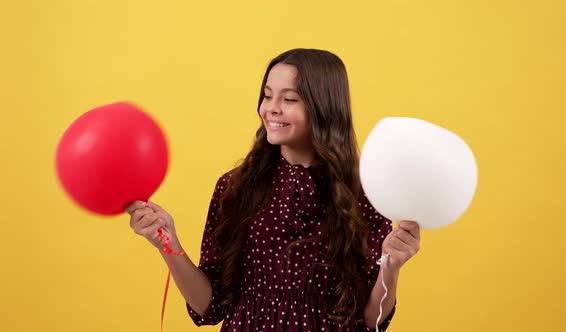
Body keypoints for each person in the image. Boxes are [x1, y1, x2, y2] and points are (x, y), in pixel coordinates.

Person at [125, 48, 420, 331]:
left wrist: (391, 267)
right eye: (267, 96)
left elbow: (372, 320)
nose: (271, 109)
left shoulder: (367, 193)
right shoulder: (234, 188)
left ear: (324, 106)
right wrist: (167, 242)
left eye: (289, 99)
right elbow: (209, 306)